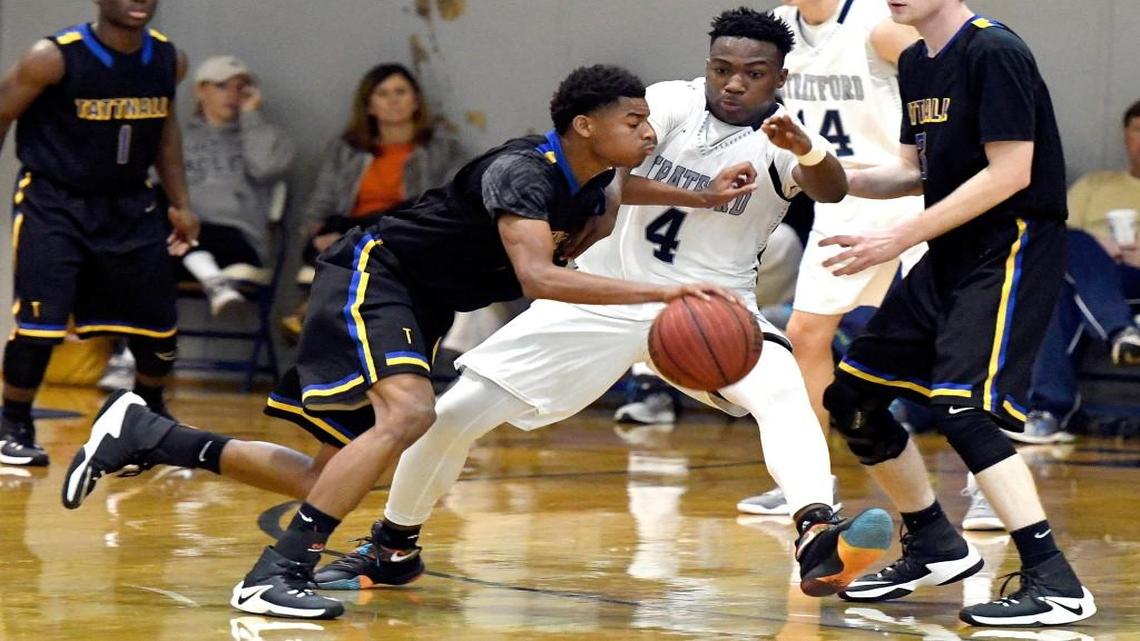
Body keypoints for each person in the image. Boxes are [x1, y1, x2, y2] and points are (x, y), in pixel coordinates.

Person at [62, 64, 760, 620]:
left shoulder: (596, 174)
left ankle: (149, 432)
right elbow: (539, 279)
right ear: (585, 126)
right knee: (410, 416)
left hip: (418, 299)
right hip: (375, 272)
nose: (647, 132)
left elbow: (624, 188)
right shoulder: (521, 173)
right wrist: (666, 293)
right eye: (632, 121)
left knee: (325, 474)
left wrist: (700, 195)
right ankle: (276, 573)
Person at [311, 7, 894, 611]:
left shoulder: (790, 136)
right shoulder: (667, 103)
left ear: (780, 76)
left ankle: (816, 531)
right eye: (722, 68)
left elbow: (830, 188)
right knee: (454, 414)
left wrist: (807, 149)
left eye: (752, 73)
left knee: (782, 390)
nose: (734, 83)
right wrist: (695, 192)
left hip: (710, 307)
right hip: (601, 293)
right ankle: (393, 545)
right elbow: (607, 174)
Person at [816, 0, 1096, 626]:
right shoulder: (916, 61)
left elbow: (1009, 173)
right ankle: (934, 543)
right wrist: (819, 170)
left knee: (961, 406)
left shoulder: (994, 51)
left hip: (1009, 245)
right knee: (852, 398)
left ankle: (1055, 581)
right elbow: (913, 170)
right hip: (948, 251)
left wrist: (897, 237)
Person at [736, 0, 927, 517]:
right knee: (805, 336)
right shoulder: (778, 27)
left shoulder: (876, 22)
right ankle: (810, 483)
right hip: (841, 197)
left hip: (907, 191)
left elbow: (945, 77)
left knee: (953, 343)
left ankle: (984, 489)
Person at [0, 0, 198, 467]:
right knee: (39, 323)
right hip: (55, 201)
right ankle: (13, 422)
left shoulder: (170, 59)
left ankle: (148, 419)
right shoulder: (51, 56)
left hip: (131, 202)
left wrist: (181, 202)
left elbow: (166, 131)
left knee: (158, 325)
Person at [281, 63, 465, 340]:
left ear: (415, 101)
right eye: (383, 93)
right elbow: (321, 202)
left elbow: (448, 203)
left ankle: (314, 310)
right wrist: (316, 232)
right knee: (340, 238)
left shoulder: (442, 149)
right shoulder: (346, 150)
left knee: (399, 218)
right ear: (369, 106)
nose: (392, 101)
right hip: (348, 230)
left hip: (407, 232)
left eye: (400, 92)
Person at [1019, 99, 1140, 442]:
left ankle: (1051, 411)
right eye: (1138, 129)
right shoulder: (1096, 185)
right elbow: (1055, 238)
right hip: (1099, 276)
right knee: (1060, 270)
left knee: (1064, 272)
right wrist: (1101, 245)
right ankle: (1120, 332)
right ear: (1125, 137)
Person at [181, 54, 295, 315]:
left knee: (165, 242)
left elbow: (266, 168)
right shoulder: (178, 139)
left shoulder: (270, 137)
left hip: (238, 240)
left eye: (241, 88)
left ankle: (132, 350)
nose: (232, 95)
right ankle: (214, 282)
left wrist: (251, 118)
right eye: (222, 86)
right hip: (180, 240)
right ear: (201, 90)